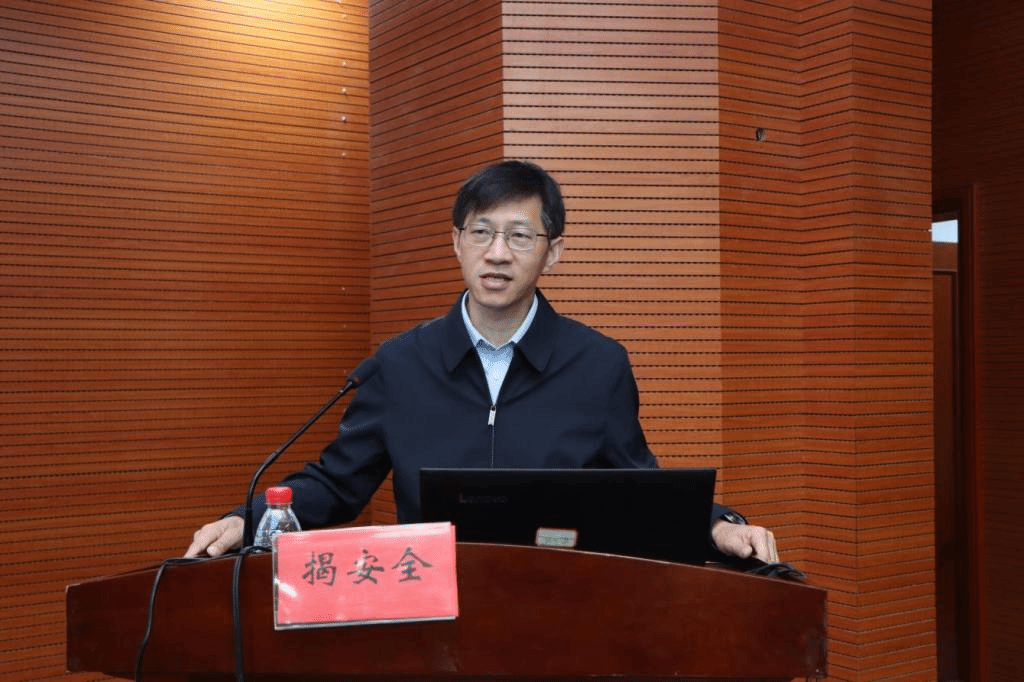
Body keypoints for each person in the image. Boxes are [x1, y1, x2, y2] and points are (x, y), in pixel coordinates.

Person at [185, 160, 778, 563]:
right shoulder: (399, 363)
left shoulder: (598, 365)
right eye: (481, 233)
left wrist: (718, 524)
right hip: (429, 613)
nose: (497, 253)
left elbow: (640, 485)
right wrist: (246, 519)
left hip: (557, 610)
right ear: (456, 242)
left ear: (553, 253)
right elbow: (338, 481)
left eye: (519, 236)